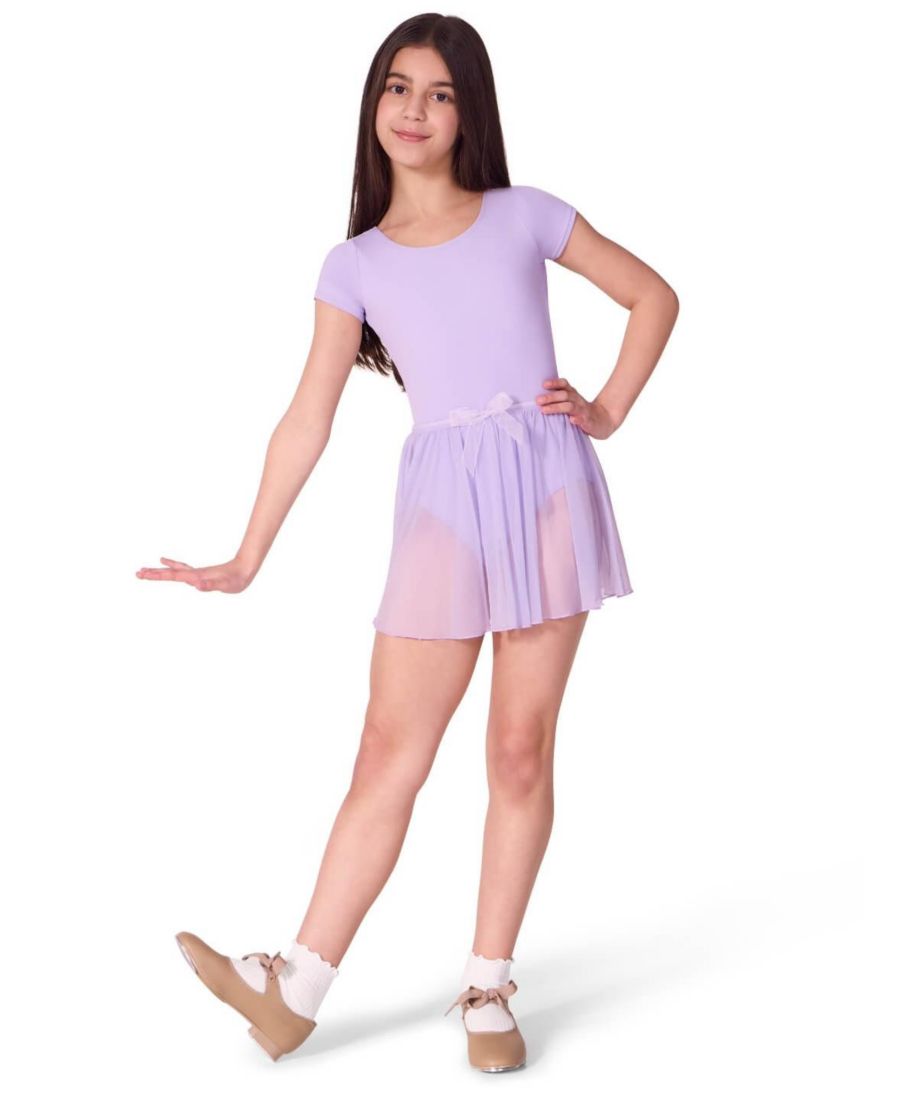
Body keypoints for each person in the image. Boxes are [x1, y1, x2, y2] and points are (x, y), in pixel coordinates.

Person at [138, 13, 678, 1073]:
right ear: (373, 105)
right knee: (389, 749)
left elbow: (651, 295)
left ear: (470, 112)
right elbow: (308, 416)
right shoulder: (355, 265)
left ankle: (488, 986)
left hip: (546, 490)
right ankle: (294, 986)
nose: (415, 109)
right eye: (398, 87)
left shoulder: (524, 213)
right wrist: (246, 555)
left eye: (440, 92)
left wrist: (607, 409)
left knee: (518, 748)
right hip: (441, 505)